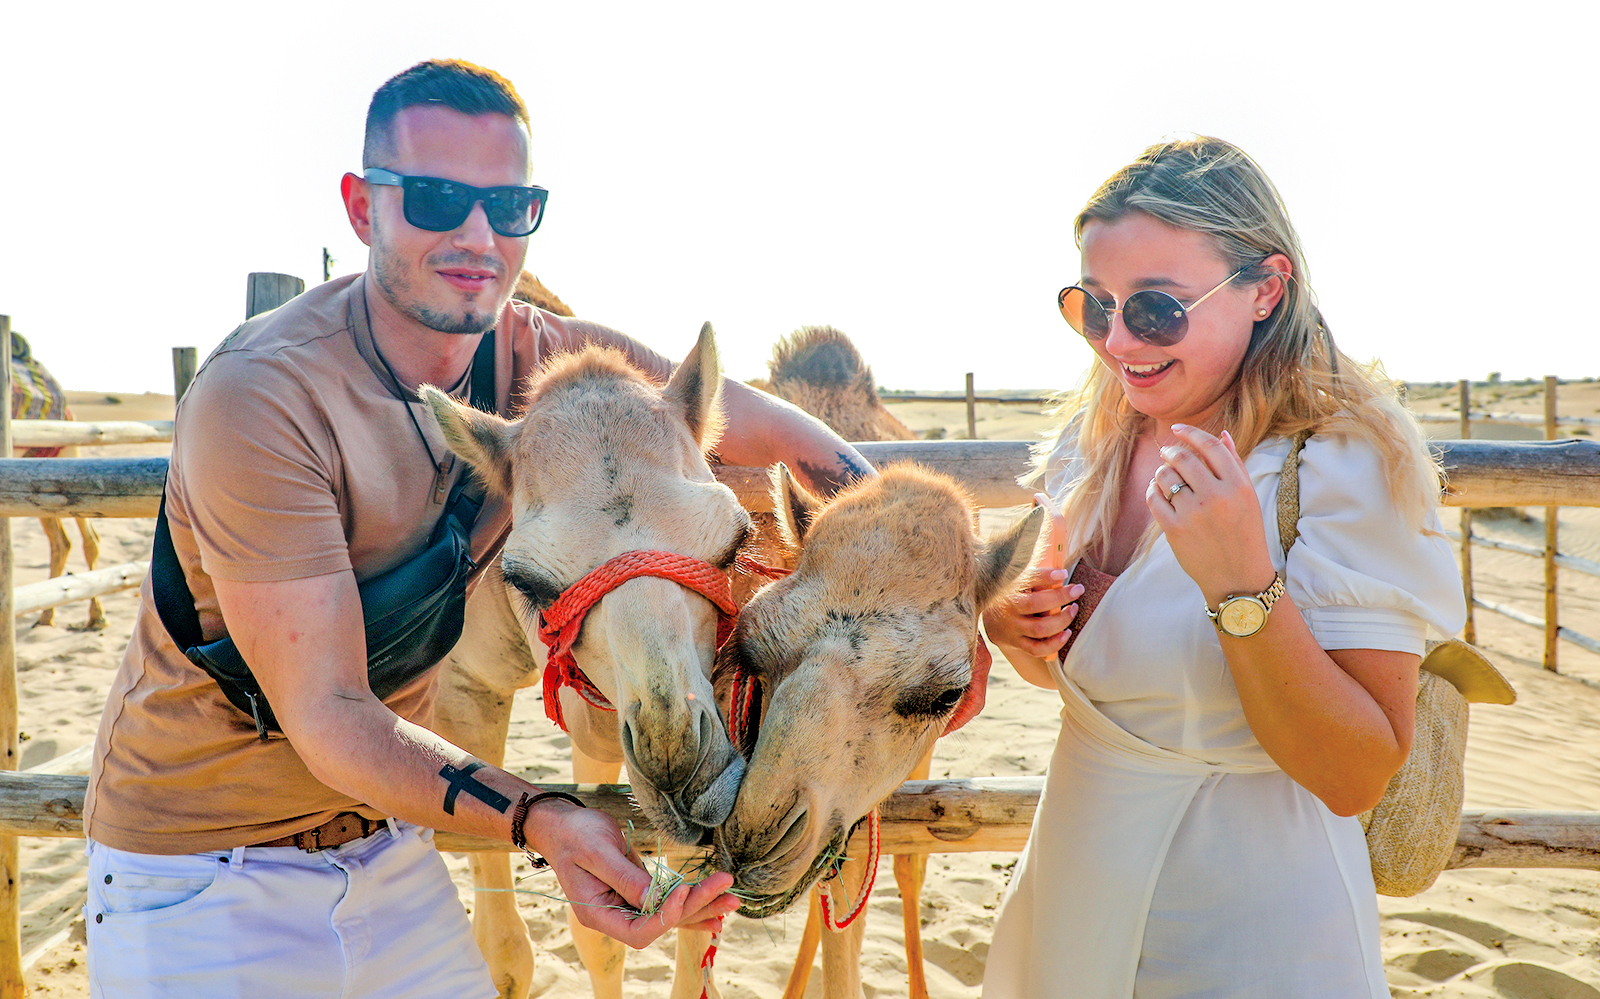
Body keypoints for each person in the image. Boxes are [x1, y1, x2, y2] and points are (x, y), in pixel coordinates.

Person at [82, 59, 873, 998]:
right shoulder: (264, 401)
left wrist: (942, 587)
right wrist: (544, 816)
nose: (476, 235)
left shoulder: (528, 355)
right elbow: (330, 714)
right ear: (361, 206)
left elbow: (767, 425)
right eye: (434, 197)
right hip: (202, 877)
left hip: (391, 858)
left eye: (509, 207)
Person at [979, 137, 1466, 998]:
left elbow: (1354, 773)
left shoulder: (1345, 459)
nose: (1117, 341)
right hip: (1070, 886)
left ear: (1265, 289)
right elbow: (1100, 684)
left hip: (1251, 925)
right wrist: (1018, 626)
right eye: (1094, 307)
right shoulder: (1092, 440)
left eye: (1156, 310)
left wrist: (1241, 586)